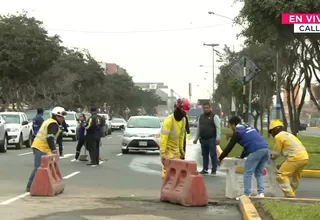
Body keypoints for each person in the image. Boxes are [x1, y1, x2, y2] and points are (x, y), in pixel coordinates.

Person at [218, 116, 269, 197]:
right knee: (259, 172)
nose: (231, 128)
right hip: (266, 149)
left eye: (231, 126)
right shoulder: (250, 128)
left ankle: (246, 194)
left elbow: (229, 148)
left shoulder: (238, 132)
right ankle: (261, 193)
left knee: (248, 173)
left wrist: (220, 158)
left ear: (233, 124)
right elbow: (248, 143)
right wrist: (242, 156)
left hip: (255, 150)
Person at [26, 106, 67, 192]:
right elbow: (50, 138)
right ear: (56, 116)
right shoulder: (53, 124)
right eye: (61, 117)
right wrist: (54, 150)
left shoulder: (50, 121)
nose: (63, 119)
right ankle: (30, 186)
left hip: (44, 147)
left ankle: (51, 184)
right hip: (40, 147)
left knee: (50, 167)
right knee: (38, 167)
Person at [269, 120, 309, 198]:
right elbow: (290, 153)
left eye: (271, 132)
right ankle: (292, 191)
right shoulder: (288, 135)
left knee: (281, 175)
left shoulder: (278, 136)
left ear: (275, 129)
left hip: (295, 158)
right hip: (304, 157)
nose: (271, 134)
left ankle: (290, 196)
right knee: (296, 176)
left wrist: (271, 157)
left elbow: (276, 152)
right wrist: (281, 164)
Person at [160, 98, 190, 178]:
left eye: (185, 113)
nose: (184, 114)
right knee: (167, 174)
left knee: (177, 175)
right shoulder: (169, 120)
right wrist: (162, 153)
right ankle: (166, 189)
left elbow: (181, 137)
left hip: (176, 151)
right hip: (168, 150)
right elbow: (164, 138)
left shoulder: (183, 121)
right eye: (183, 112)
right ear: (178, 108)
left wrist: (181, 150)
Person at [193, 102, 221, 175]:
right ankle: (205, 169)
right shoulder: (201, 117)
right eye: (204, 108)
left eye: (207, 108)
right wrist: (196, 138)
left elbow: (218, 128)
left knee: (213, 154)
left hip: (211, 139)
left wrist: (218, 138)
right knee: (204, 155)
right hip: (203, 139)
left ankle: (214, 169)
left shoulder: (214, 117)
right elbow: (199, 129)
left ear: (210, 108)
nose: (206, 109)